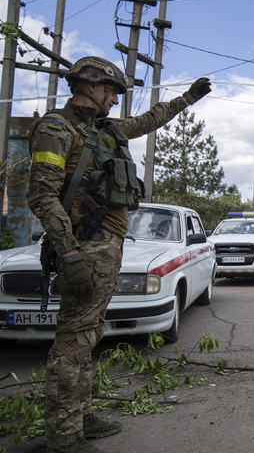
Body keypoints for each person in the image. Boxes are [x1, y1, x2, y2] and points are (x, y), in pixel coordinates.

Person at [28, 56, 211, 453]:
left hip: (106, 248)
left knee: (89, 335)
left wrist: (188, 99)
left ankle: (81, 415)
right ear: (89, 85)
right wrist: (71, 254)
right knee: (73, 342)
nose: (114, 99)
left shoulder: (107, 130)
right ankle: (63, 438)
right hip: (83, 246)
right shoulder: (57, 129)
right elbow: (42, 196)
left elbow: (149, 120)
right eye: (111, 91)